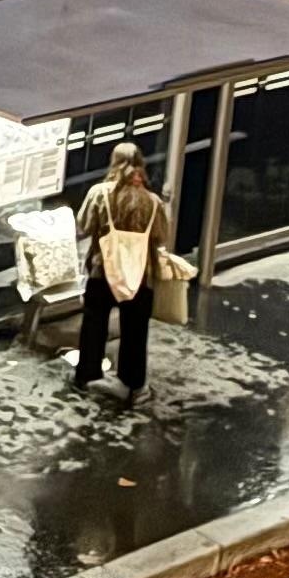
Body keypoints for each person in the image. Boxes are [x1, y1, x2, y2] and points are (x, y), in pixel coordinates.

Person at [69, 145, 175, 400]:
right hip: (140, 275)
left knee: (95, 323)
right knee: (135, 330)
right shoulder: (152, 201)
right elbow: (162, 236)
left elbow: (83, 226)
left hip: (102, 270)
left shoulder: (100, 194)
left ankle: (87, 375)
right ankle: (132, 385)